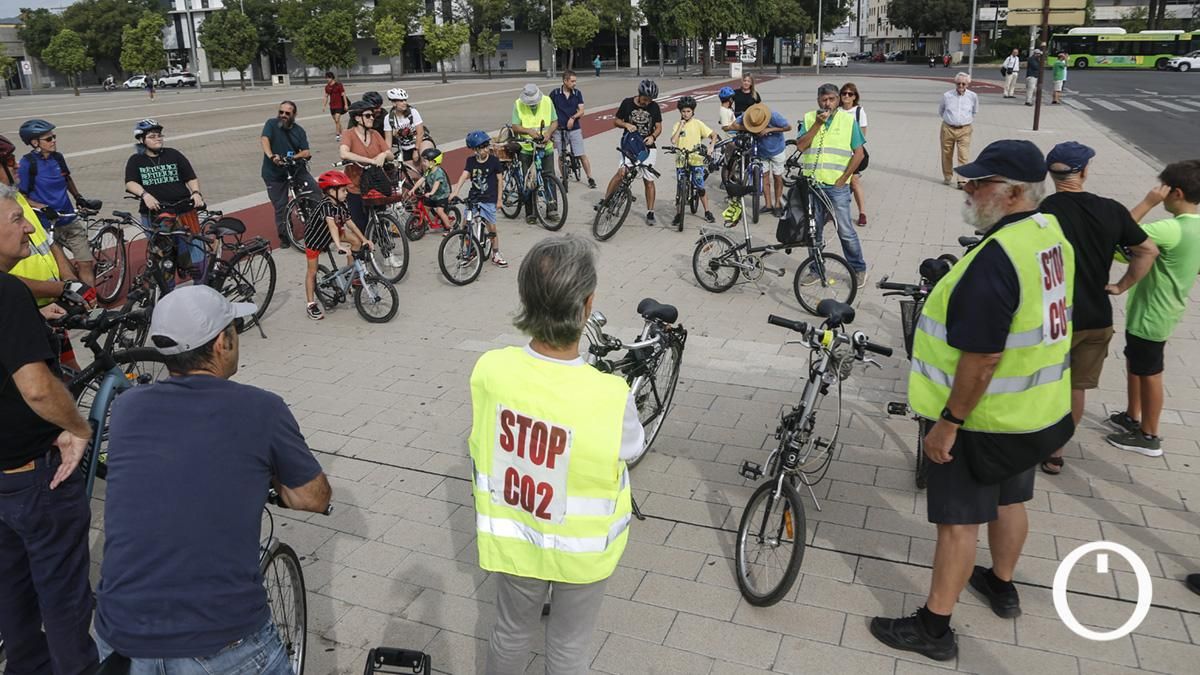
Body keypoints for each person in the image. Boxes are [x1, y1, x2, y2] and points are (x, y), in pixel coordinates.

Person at [870, 140, 1076, 662]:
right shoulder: (1050, 234)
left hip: (981, 421)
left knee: (959, 523)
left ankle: (934, 628)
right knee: (1011, 501)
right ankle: (1001, 584)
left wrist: (947, 423)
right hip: (1034, 414)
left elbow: (980, 359)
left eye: (979, 182)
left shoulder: (995, 260)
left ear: (1010, 194)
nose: (968, 188)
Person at [95, 285, 332, 670]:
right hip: (220, 640)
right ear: (223, 341)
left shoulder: (127, 407)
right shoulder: (262, 409)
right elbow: (314, 497)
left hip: (119, 635)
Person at [470, 235, 644, 674]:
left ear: (526, 298)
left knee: (509, 632)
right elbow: (632, 447)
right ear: (588, 305)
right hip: (584, 553)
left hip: (519, 537)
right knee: (569, 648)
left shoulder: (492, 370)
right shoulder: (609, 394)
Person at [0, 182, 99, 675]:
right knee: (63, 598)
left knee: (12, 593)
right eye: (16, 218)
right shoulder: (8, 292)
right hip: (33, 477)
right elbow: (38, 388)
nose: (26, 226)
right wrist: (76, 428)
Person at [1038, 142, 1159, 475]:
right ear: (1084, 172)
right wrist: (1120, 286)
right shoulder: (1111, 209)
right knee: (1076, 388)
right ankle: (1056, 452)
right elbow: (1147, 251)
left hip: (1052, 317)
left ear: (1052, 175)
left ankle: (1029, 440)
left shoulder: (1043, 212)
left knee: (1044, 383)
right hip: (1095, 317)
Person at [1106, 160, 1200, 458]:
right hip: (1167, 307)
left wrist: (1147, 202)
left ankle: (1149, 435)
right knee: (1136, 361)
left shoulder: (1169, 229)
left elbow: (1119, 235)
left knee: (1149, 371)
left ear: (1176, 193)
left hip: (1152, 312)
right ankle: (1133, 416)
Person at [794, 83, 868, 284]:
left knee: (845, 229)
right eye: (824, 99)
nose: (827, 103)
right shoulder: (810, 118)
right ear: (818, 100)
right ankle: (816, 269)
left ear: (838, 100)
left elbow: (859, 153)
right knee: (813, 231)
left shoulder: (847, 120)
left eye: (832, 99)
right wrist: (817, 125)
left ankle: (858, 268)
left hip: (836, 186)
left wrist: (844, 179)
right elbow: (800, 146)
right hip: (812, 185)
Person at [17, 119, 103, 287]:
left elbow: (67, 178)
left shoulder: (58, 157)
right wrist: (43, 207)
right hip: (46, 226)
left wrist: (78, 197)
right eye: (48, 139)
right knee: (66, 272)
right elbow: (22, 196)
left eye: (54, 137)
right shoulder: (28, 164)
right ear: (35, 142)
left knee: (86, 263)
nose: (54, 141)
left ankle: (93, 306)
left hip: (68, 219)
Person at [125, 118, 208, 273]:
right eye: (152, 136)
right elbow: (130, 183)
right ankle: (166, 293)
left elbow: (190, 177)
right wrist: (145, 195)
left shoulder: (173, 154)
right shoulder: (136, 160)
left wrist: (196, 193)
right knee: (163, 261)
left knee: (196, 257)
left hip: (184, 212)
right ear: (142, 140)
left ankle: (201, 287)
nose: (157, 139)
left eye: (159, 135)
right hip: (155, 216)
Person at [303, 171, 373, 321]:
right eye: (343, 190)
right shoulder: (326, 206)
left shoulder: (342, 204)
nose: (346, 193)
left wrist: (365, 239)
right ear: (331, 191)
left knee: (356, 242)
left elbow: (350, 223)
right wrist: (339, 245)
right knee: (312, 272)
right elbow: (332, 226)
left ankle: (350, 274)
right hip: (315, 239)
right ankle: (310, 304)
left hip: (332, 233)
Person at [261, 100, 318, 249]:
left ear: (294, 114)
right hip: (274, 173)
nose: (283, 115)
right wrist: (272, 156)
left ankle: (317, 226)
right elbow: (265, 140)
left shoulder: (299, 131)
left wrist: (293, 158)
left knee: (314, 193)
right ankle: (285, 236)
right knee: (281, 206)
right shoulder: (271, 124)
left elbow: (306, 151)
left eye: (287, 113)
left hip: (295, 169)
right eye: (281, 112)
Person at [604, 79, 662, 225]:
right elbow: (616, 121)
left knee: (648, 180)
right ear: (639, 94)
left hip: (647, 147)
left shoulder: (654, 107)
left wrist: (652, 136)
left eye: (650, 100)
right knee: (620, 174)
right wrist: (626, 124)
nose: (647, 102)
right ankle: (606, 201)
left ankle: (650, 212)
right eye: (645, 99)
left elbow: (659, 127)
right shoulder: (627, 103)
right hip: (629, 144)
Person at [452, 130, 508, 267]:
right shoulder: (470, 161)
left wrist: (499, 200)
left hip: (489, 198)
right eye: (482, 147)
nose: (485, 149)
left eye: (486, 146)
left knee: (492, 228)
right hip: (474, 198)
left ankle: (496, 253)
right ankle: (470, 252)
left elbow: (500, 181)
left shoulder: (494, 161)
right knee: (465, 226)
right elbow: (463, 176)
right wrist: (455, 191)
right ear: (475, 150)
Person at [727, 103, 792, 216]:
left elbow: (788, 127)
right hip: (761, 151)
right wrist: (749, 128)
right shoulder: (748, 116)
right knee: (764, 177)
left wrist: (769, 129)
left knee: (777, 177)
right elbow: (733, 126)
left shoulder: (774, 116)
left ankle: (777, 204)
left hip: (777, 150)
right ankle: (768, 204)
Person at [339, 100, 393, 232]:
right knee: (360, 225)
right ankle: (359, 251)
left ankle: (384, 241)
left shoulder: (375, 134)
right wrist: (370, 161)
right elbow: (344, 153)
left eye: (372, 115)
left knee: (382, 221)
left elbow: (390, 154)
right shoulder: (349, 134)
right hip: (355, 187)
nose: (372, 118)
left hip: (375, 184)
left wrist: (383, 155)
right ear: (357, 118)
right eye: (368, 115)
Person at [510, 83, 559, 225]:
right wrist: (528, 131)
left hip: (545, 146)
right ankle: (530, 212)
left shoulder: (547, 101)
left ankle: (552, 209)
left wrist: (549, 133)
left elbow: (555, 121)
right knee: (529, 180)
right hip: (527, 148)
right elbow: (515, 126)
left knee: (549, 177)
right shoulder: (518, 104)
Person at [669, 95, 718, 227]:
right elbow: (673, 141)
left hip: (696, 159)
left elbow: (713, 135)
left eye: (688, 111)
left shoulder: (698, 124)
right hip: (681, 160)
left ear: (693, 111)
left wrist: (711, 146)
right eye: (683, 111)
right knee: (680, 188)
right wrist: (681, 126)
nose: (686, 114)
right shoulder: (677, 125)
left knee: (700, 186)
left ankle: (707, 211)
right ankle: (679, 214)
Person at [549, 70, 597, 189]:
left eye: (575, 81)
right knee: (561, 155)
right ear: (565, 81)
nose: (574, 83)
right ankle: (563, 177)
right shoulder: (555, 94)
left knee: (581, 154)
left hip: (574, 129)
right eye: (572, 81)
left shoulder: (577, 93)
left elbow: (581, 110)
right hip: (559, 130)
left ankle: (590, 177)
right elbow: (549, 111)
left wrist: (573, 117)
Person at [938, 73, 978, 188]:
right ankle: (947, 176)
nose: (961, 86)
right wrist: (951, 120)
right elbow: (941, 110)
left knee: (963, 155)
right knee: (947, 154)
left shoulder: (973, 96)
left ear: (967, 84)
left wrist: (964, 121)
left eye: (963, 83)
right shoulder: (947, 96)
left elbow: (975, 111)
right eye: (958, 83)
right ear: (955, 83)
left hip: (965, 129)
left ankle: (962, 180)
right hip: (948, 128)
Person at [839, 82, 869, 226]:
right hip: (839, 153)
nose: (846, 96)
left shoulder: (858, 111)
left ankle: (862, 213)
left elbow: (862, 135)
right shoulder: (836, 111)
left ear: (855, 97)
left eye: (850, 94)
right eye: (844, 93)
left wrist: (854, 151)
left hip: (854, 153)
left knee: (855, 181)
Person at [383, 88, 428, 178]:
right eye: (401, 101)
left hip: (421, 142)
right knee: (412, 176)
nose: (404, 103)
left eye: (405, 100)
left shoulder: (413, 112)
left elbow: (420, 132)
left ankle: (430, 180)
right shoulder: (388, 119)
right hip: (406, 148)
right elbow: (388, 142)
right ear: (394, 103)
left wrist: (416, 150)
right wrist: (387, 155)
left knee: (426, 158)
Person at [407, 147, 454, 231]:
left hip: (441, 196)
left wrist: (431, 192)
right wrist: (413, 189)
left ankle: (449, 228)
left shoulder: (439, 172)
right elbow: (422, 179)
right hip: (433, 195)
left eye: (425, 161)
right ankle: (424, 225)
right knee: (425, 208)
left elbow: (437, 183)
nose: (423, 163)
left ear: (433, 162)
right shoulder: (428, 171)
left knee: (440, 211)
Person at [322, 71, 348, 141]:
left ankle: (337, 135)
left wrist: (346, 104)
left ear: (332, 78)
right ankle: (343, 132)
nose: (327, 79)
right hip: (332, 106)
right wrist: (324, 106)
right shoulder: (327, 87)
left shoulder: (338, 85)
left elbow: (344, 95)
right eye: (326, 78)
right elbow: (326, 96)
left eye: (328, 78)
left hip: (339, 105)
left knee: (337, 120)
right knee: (336, 121)